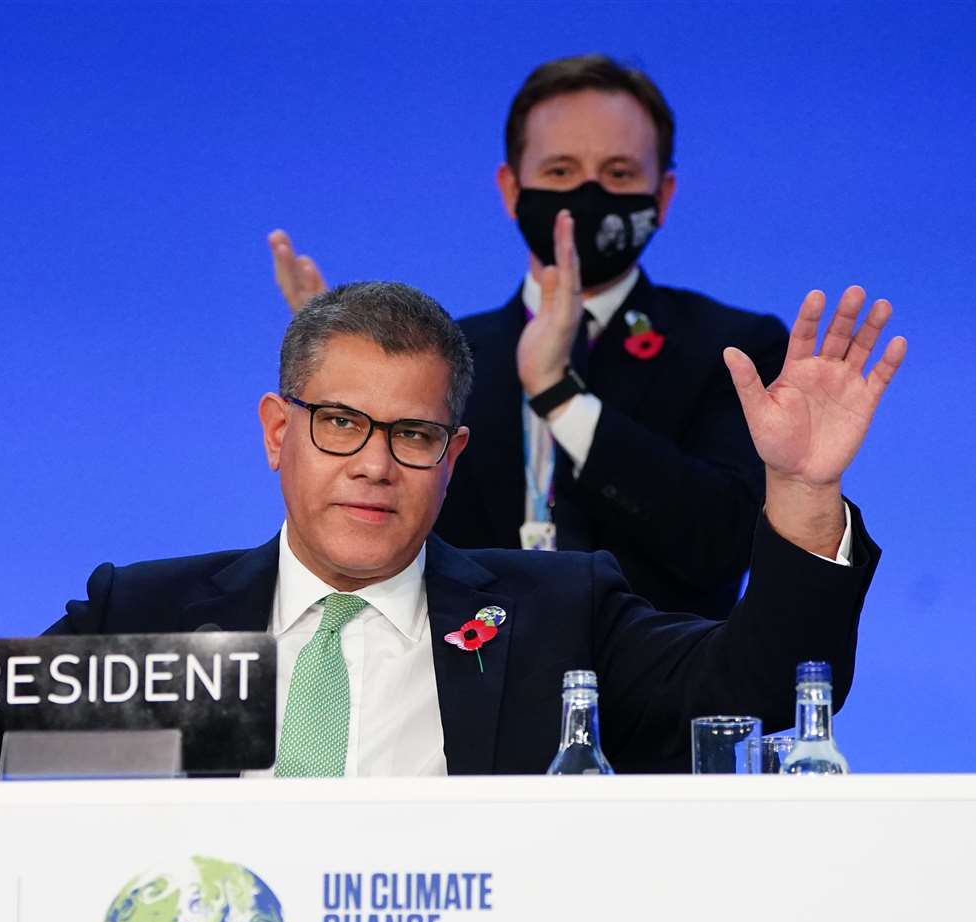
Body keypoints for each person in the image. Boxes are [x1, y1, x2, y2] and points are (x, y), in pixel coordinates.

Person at [0, 212, 905, 781]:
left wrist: (798, 492)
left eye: (414, 434)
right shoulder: (147, 621)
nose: (373, 460)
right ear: (277, 432)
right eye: (340, 424)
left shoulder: (557, 614)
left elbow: (754, 701)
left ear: (453, 455)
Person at [270, 54, 788, 619]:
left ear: (662, 196)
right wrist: (348, 381)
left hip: (657, 693)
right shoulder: (446, 359)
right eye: (560, 172)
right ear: (511, 188)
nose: (587, 199)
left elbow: (723, 542)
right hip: (467, 693)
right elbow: (380, 543)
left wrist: (560, 396)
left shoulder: (734, 349)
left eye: (618, 175)